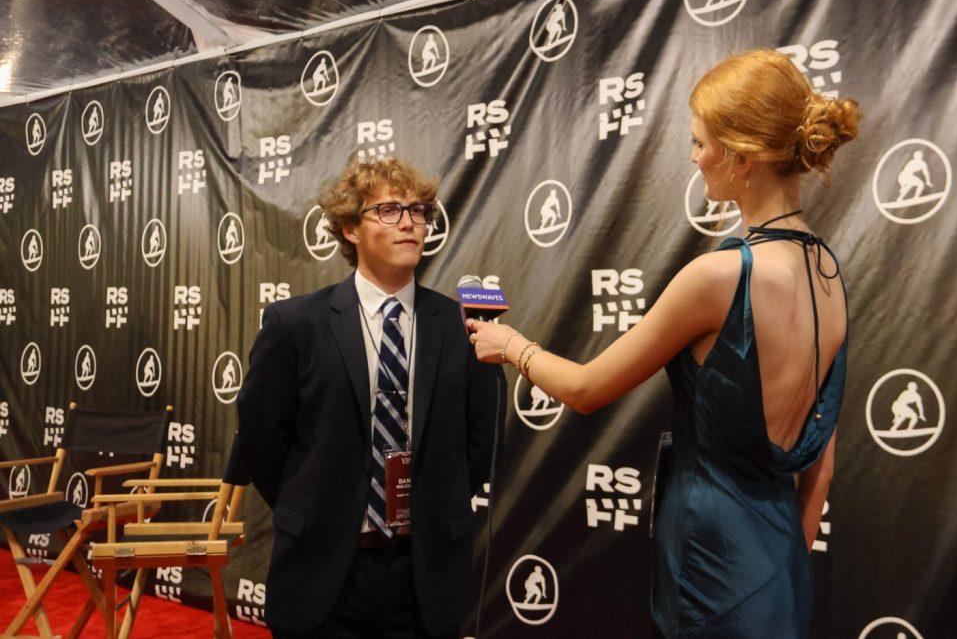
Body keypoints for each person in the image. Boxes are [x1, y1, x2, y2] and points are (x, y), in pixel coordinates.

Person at [468, 49, 860, 638]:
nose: (695, 156)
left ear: (745, 157)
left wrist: (511, 345)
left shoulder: (720, 276)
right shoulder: (826, 270)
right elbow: (822, 467)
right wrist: (783, 568)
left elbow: (586, 389)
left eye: (702, 142)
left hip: (712, 557)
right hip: (780, 564)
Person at [237, 157, 499, 637]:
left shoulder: (463, 326)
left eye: (419, 211)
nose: (409, 223)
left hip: (426, 572)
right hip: (324, 571)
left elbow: (481, 445)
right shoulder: (294, 325)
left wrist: (434, 505)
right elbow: (259, 441)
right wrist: (317, 505)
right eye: (389, 210)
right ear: (349, 228)